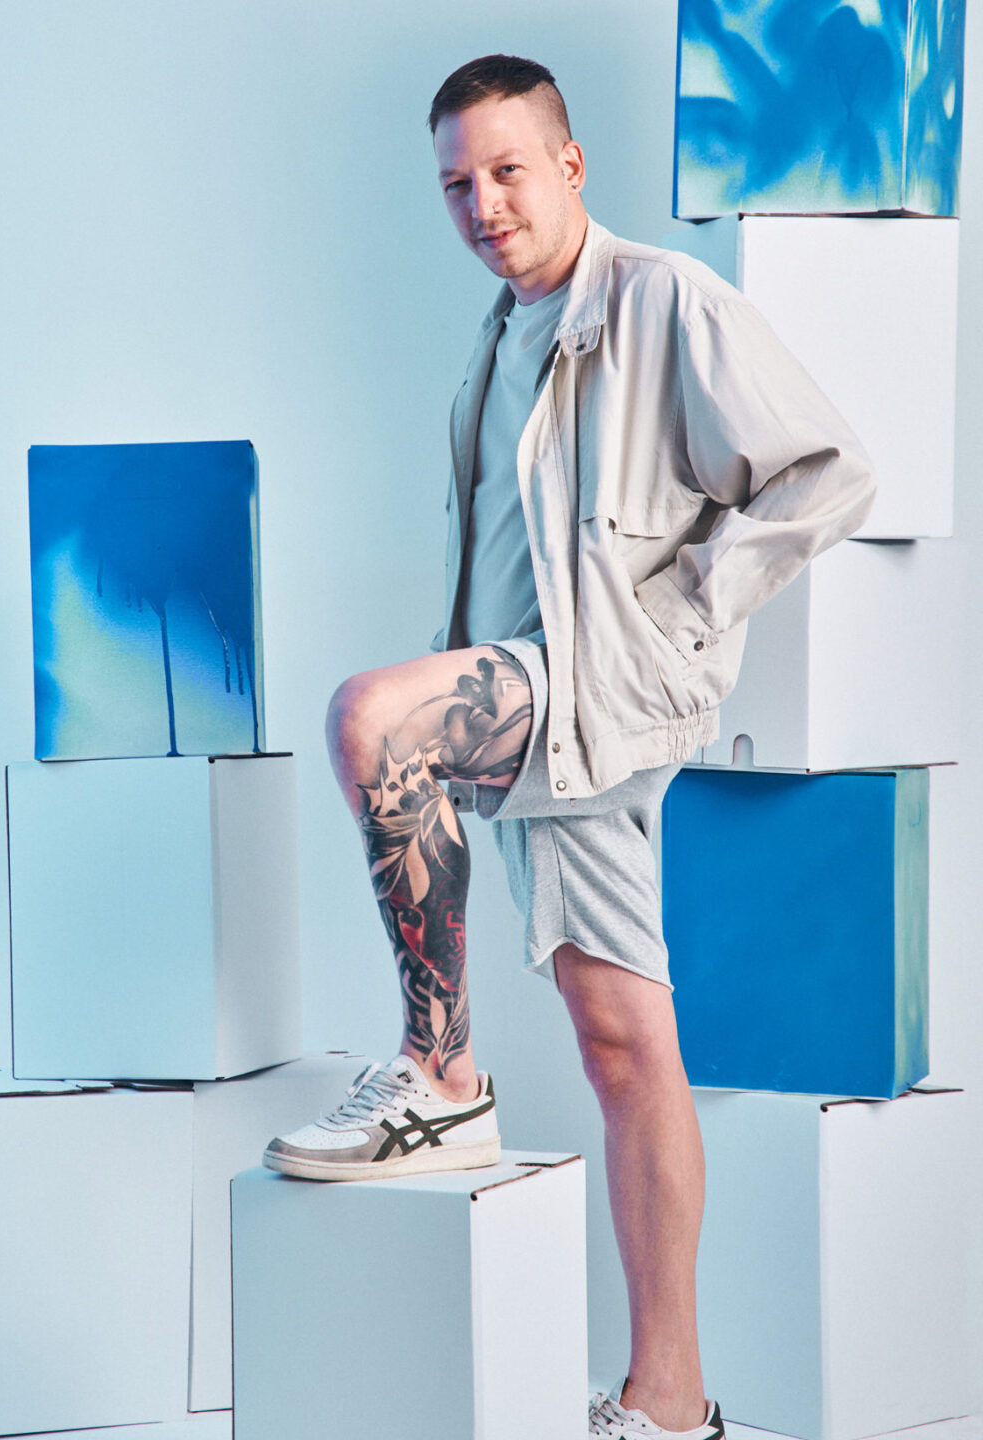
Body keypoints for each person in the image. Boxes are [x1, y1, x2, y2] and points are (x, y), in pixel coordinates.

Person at [265, 54, 876, 1439]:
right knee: (624, 1046)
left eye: (507, 171)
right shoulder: (500, 336)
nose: (484, 205)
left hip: (592, 692)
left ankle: (440, 1074)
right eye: (456, 185)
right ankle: (673, 1405)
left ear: (571, 164)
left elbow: (825, 470)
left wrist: (686, 610)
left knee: (371, 717)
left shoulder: (661, 298)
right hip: (544, 724)